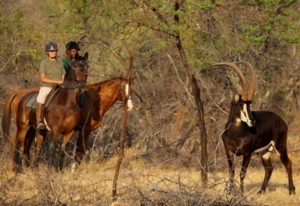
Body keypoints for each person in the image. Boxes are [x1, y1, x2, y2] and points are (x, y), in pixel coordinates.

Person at [36, 41, 65, 130]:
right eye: (51, 51)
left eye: (55, 51)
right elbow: (42, 78)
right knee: (40, 99)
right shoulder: (44, 63)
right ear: (47, 52)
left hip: (59, 87)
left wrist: (62, 81)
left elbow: (63, 74)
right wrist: (55, 81)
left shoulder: (60, 63)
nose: (53, 53)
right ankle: (39, 121)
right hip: (47, 86)